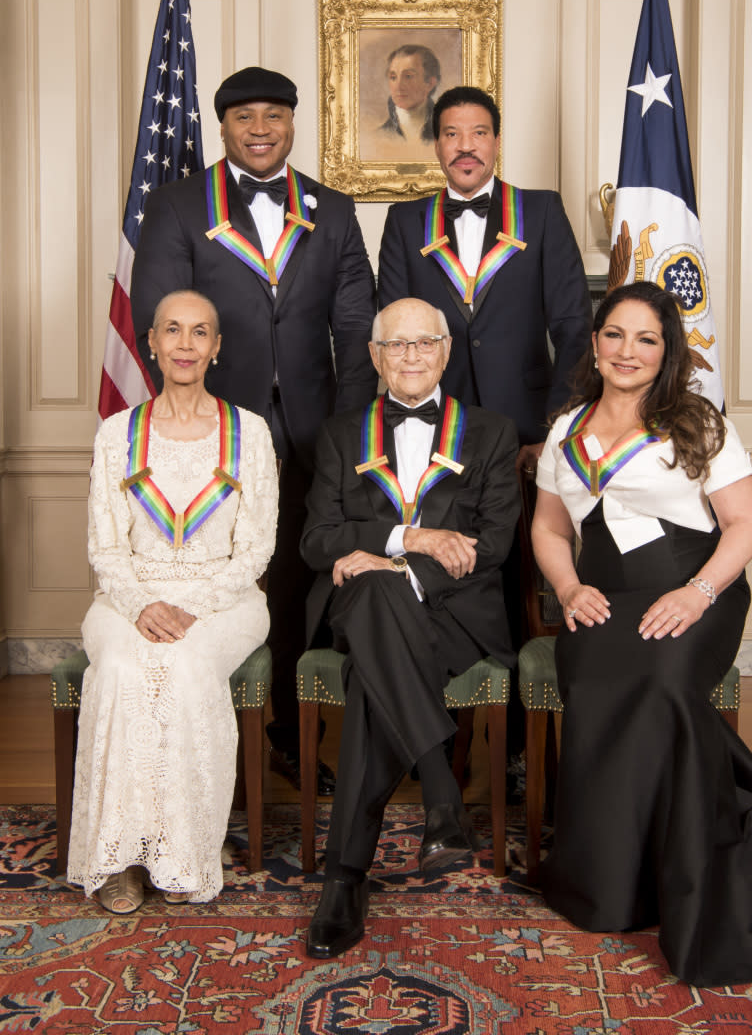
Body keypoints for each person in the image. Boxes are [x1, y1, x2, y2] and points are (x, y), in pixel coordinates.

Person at [531, 281, 752, 986]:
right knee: (600, 678)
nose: (628, 350)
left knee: (664, 682)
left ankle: (699, 872)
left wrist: (697, 595)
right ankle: (611, 880)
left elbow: (746, 526)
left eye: (646, 338)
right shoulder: (564, 429)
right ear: (596, 342)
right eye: (615, 334)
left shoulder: (698, 422)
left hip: (696, 589)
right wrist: (569, 588)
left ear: (666, 351)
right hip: (602, 598)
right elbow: (549, 527)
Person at [131, 67, 377, 794]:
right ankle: (208, 732)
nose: (261, 128)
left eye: (275, 115)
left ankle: (283, 737)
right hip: (214, 430)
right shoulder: (178, 206)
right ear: (224, 127)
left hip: (311, 430)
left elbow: (357, 321)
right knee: (217, 573)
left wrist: (345, 427)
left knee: (299, 584)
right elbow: (163, 314)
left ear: (294, 121)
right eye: (246, 118)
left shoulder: (331, 210)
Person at [378, 85, 593, 785]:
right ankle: (434, 738)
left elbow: (572, 330)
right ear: (436, 144)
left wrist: (551, 431)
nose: (465, 145)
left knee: (517, 583)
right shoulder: (407, 221)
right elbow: (389, 333)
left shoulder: (543, 211)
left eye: (478, 132)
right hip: (433, 441)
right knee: (437, 578)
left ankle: (521, 751)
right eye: (451, 133)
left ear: (496, 142)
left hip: (526, 439)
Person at [301, 298, 520, 958]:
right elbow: (318, 540)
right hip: (360, 604)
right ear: (374, 357)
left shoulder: (492, 432)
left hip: (454, 613)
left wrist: (399, 568)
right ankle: (442, 796)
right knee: (372, 595)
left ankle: (344, 879)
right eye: (396, 346)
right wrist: (411, 536)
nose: (412, 356)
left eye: (425, 343)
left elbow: (496, 543)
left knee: (376, 658)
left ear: (447, 351)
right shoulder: (341, 434)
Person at [67, 291, 278, 913]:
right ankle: (121, 859)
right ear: (152, 343)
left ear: (217, 347)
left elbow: (255, 549)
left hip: (227, 597)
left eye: (201, 332)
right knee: (122, 669)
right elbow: (105, 547)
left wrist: (196, 605)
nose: (186, 344)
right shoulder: (116, 434)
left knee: (184, 668)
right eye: (173, 331)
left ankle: (182, 850)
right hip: (127, 594)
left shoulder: (251, 432)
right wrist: (139, 604)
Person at [378, 44, 441, 144]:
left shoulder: (444, 133)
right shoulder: (378, 137)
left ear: (430, 83)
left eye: (408, 76)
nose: (398, 86)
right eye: (393, 77)